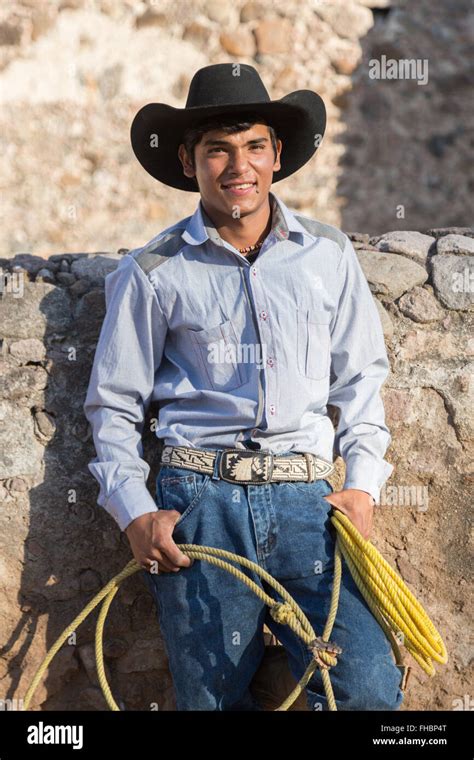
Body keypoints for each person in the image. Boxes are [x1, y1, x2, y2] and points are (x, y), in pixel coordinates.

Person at [83, 63, 404, 711]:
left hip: (312, 509)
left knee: (368, 688)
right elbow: (113, 405)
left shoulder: (328, 254)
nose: (239, 166)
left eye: (254, 146)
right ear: (188, 160)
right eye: (218, 150)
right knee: (212, 702)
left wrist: (364, 487)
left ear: (276, 154)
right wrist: (135, 512)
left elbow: (362, 380)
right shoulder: (152, 272)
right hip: (200, 506)